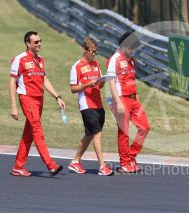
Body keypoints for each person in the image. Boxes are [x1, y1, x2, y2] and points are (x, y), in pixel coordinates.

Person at [9, 31, 64, 177]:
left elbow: (45, 79)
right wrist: (14, 106)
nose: (39, 44)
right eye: (36, 42)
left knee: (29, 134)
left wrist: (57, 97)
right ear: (28, 43)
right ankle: (51, 165)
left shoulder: (40, 60)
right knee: (38, 132)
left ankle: (18, 166)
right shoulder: (20, 59)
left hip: (39, 100)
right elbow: (12, 82)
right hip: (27, 99)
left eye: (40, 41)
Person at [68, 37, 113, 176]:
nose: (93, 54)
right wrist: (87, 84)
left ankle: (75, 161)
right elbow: (73, 89)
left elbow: (98, 84)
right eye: (91, 51)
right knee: (97, 134)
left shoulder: (96, 64)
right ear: (84, 50)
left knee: (89, 134)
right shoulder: (77, 66)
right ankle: (102, 166)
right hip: (86, 104)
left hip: (98, 103)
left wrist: (103, 81)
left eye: (95, 52)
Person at [107, 32, 150, 173]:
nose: (133, 51)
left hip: (133, 99)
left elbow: (132, 81)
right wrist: (118, 102)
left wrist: (138, 101)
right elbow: (111, 82)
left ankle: (131, 156)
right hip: (122, 99)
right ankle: (125, 163)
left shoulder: (132, 60)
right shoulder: (115, 59)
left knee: (144, 127)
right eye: (131, 48)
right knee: (124, 132)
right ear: (124, 46)